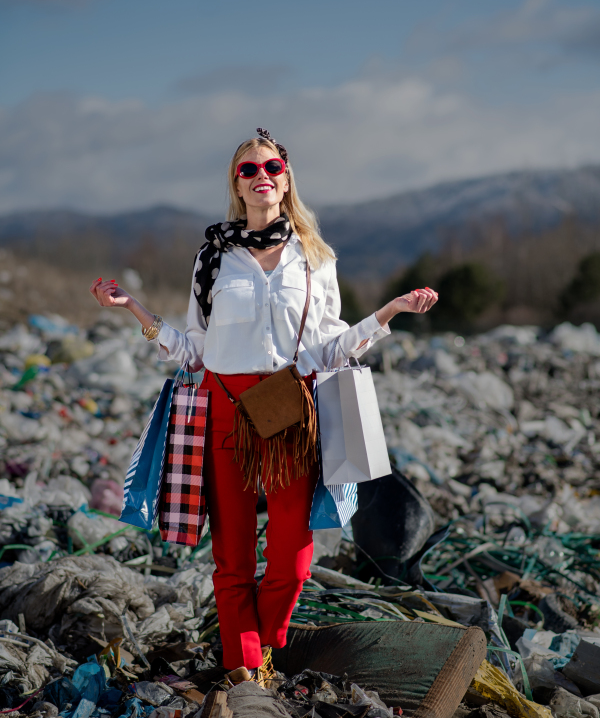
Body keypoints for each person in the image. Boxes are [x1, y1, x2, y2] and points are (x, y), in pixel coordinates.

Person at [90, 128, 438, 679]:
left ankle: (267, 633)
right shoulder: (213, 258)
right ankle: (244, 671)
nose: (261, 178)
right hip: (223, 407)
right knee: (231, 560)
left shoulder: (315, 258)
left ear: (286, 178)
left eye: (271, 168)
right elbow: (192, 351)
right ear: (236, 183)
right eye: (248, 170)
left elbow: (329, 347)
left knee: (292, 554)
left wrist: (387, 314)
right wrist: (136, 310)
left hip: (289, 413)